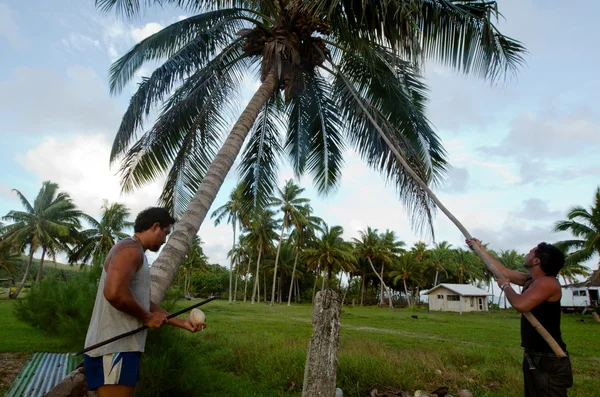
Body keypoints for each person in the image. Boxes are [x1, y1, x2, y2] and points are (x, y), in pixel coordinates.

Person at [84, 207, 206, 397]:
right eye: (165, 233)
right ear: (155, 226)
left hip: (123, 348)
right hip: (114, 349)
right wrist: (147, 317)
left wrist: (182, 323)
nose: (165, 239)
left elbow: (142, 303)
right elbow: (114, 293)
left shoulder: (134, 251)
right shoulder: (131, 250)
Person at [466, 238, 573, 397]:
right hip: (535, 354)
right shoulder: (531, 280)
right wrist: (480, 249)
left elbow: (521, 304)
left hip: (548, 357)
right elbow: (503, 271)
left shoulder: (548, 283)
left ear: (537, 260)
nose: (527, 253)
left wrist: (505, 286)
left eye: (531, 251)